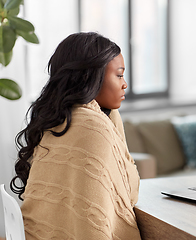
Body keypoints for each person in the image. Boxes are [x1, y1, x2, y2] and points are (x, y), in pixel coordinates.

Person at [10, 32, 141, 239]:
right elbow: (130, 192)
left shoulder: (56, 118)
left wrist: (110, 115)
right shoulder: (94, 128)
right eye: (119, 75)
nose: (125, 84)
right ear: (90, 77)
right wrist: (110, 120)